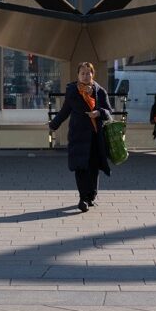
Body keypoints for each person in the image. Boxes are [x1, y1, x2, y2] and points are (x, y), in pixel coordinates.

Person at [49, 61, 112, 212]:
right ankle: (83, 198)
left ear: (92, 74)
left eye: (88, 73)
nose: (85, 76)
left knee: (94, 167)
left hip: (96, 136)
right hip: (78, 135)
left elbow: (109, 111)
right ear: (78, 75)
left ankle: (91, 196)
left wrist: (99, 113)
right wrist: (53, 124)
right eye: (82, 73)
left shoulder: (100, 91)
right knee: (80, 167)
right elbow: (65, 111)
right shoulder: (72, 91)